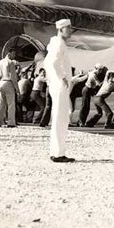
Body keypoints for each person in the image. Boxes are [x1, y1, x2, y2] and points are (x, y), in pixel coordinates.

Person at [43, 19, 75, 163]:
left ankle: (56, 151)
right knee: (61, 118)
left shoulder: (56, 43)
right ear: (61, 29)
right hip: (60, 85)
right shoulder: (59, 43)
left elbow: (47, 63)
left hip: (56, 84)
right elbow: (52, 62)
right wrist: (62, 77)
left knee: (59, 117)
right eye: (68, 28)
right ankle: (58, 153)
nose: (70, 30)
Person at [0, 49, 20, 128]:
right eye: (13, 54)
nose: (14, 56)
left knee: (0, 104)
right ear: (9, 54)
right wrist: (17, 89)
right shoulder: (11, 63)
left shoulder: (0, 62)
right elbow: (13, 77)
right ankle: (11, 122)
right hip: (8, 82)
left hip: (0, 83)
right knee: (11, 104)